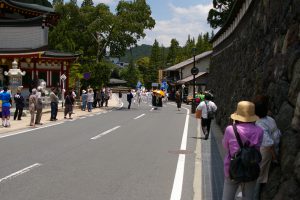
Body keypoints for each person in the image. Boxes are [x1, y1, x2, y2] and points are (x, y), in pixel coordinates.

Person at [222, 101, 263, 200]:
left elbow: (225, 146)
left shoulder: (230, 129)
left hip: (233, 168)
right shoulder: (259, 131)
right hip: (251, 168)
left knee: (227, 197)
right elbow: (257, 148)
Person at [253, 95, 281, 200]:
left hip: (266, 151)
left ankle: (254, 197)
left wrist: (274, 158)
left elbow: (269, 143)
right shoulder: (270, 119)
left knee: (258, 176)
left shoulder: (260, 125)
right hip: (273, 146)